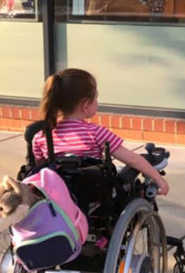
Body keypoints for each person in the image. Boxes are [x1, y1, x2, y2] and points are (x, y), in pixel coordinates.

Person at [32, 68, 170, 195]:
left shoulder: (42, 135)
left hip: (58, 197)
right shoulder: (96, 133)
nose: (97, 102)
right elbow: (133, 160)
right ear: (86, 105)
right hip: (94, 197)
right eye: (96, 99)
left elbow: (40, 166)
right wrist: (158, 178)